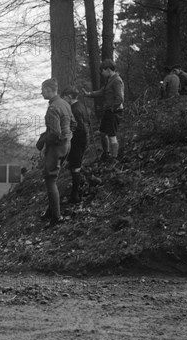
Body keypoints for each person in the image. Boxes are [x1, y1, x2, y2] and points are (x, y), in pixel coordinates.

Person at [36, 78, 75, 226]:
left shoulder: (53, 108)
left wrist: (44, 142)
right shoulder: (65, 104)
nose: (41, 93)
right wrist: (68, 138)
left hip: (57, 147)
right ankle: (52, 210)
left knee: (50, 179)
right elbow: (74, 124)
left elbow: (54, 133)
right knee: (54, 178)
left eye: (43, 90)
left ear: (49, 90)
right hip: (67, 145)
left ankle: (56, 217)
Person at [83, 59, 125, 162]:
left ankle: (114, 158)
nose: (101, 73)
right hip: (108, 111)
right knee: (102, 133)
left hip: (114, 112)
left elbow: (120, 98)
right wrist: (89, 94)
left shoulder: (117, 80)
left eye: (103, 71)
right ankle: (106, 153)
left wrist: (113, 108)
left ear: (108, 69)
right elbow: (102, 91)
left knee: (112, 134)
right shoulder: (110, 80)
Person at [62, 86, 90, 204]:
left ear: (69, 97)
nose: (63, 101)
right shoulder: (81, 106)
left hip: (78, 142)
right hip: (81, 140)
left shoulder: (74, 109)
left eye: (64, 98)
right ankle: (91, 180)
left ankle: (75, 196)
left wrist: (70, 136)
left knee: (75, 168)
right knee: (74, 166)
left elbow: (80, 128)